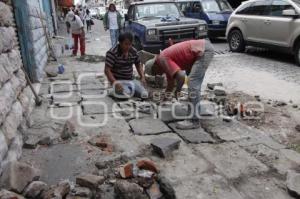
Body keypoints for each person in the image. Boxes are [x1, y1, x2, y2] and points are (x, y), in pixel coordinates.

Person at [144, 39, 214, 129]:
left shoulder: (162, 59)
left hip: (202, 50)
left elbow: (181, 76)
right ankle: (195, 111)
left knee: (192, 83)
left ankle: (194, 120)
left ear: (155, 65)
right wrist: (163, 102)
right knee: (194, 84)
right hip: (201, 48)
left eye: (155, 72)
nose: (159, 74)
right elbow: (171, 85)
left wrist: (178, 90)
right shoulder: (164, 63)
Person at [105, 32, 148, 99]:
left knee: (144, 94)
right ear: (120, 43)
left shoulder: (133, 51)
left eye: (130, 44)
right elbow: (107, 70)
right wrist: (115, 82)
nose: (128, 46)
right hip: (118, 81)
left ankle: (129, 90)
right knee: (126, 95)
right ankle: (112, 91)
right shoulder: (112, 52)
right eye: (126, 44)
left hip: (130, 80)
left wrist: (142, 77)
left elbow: (138, 64)